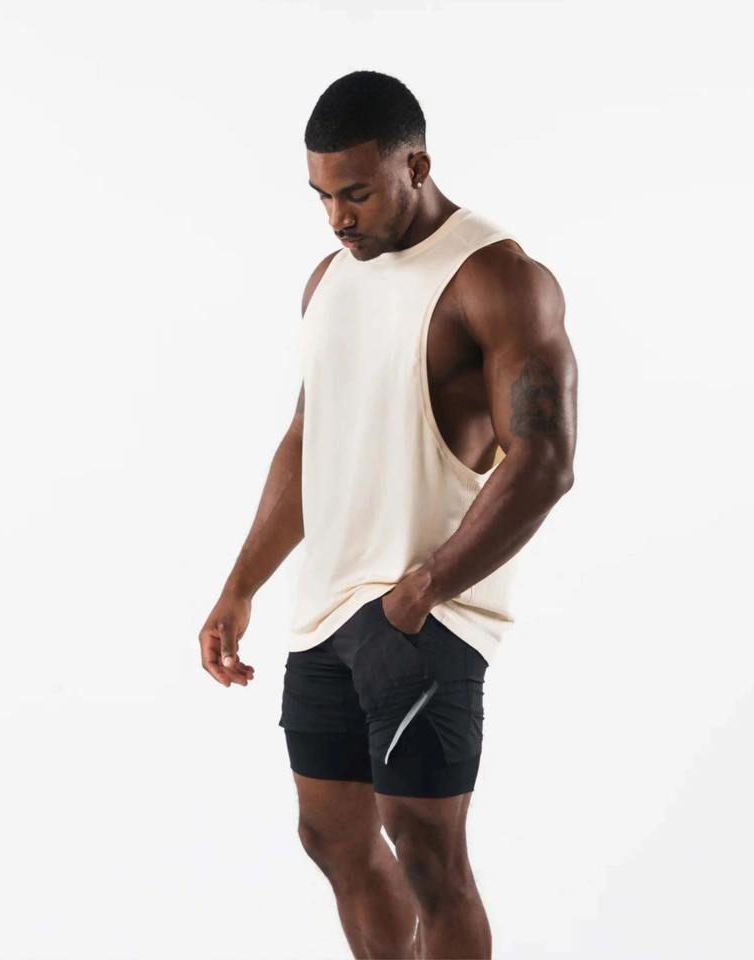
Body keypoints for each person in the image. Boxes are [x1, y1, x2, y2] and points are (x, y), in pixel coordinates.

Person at [198, 70, 577, 959]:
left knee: (430, 857)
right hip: (327, 612)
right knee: (330, 838)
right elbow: (308, 437)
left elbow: (545, 462)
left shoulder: (496, 277)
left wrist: (424, 590)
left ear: (418, 166)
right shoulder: (330, 280)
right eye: (322, 196)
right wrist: (241, 585)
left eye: (358, 193)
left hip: (424, 615)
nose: (338, 218)